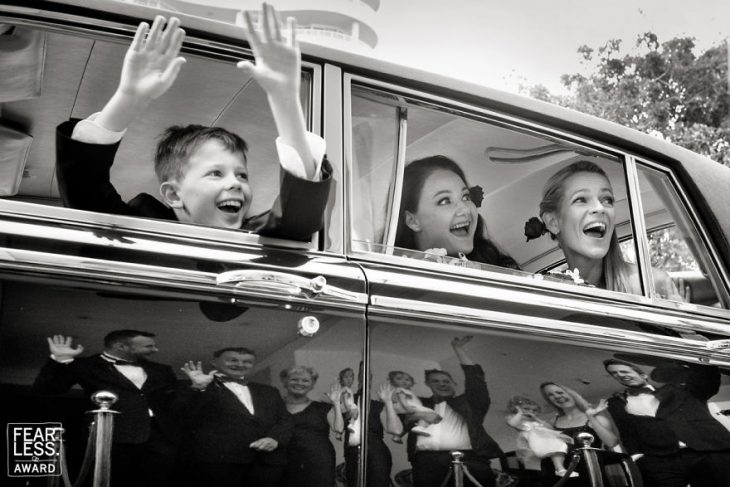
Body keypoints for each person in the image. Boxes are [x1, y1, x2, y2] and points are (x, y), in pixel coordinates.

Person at [55, 4, 331, 241]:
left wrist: (286, 103)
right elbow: (84, 189)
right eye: (216, 173)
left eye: (242, 174)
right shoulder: (141, 232)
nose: (236, 183)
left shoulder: (258, 239)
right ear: (174, 195)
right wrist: (127, 97)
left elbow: (300, 215)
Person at [33, 331, 179, 487]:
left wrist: (197, 387)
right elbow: (46, 389)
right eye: (149, 346)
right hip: (110, 437)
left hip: (158, 439)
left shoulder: (162, 370)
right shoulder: (85, 365)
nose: (155, 350)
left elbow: (175, 403)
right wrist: (59, 359)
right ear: (121, 346)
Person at [526, 160, 682, 298]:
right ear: (553, 222)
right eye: (581, 199)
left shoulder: (650, 284)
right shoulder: (550, 290)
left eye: (607, 200)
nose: (600, 208)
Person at [603, 358, 730, 487]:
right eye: (614, 374)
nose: (619, 375)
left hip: (708, 450)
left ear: (643, 374)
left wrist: (691, 356)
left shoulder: (682, 389)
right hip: (659, 460)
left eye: (624, 371)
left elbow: (708, 378)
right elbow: (626, 431)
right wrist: (637, 457)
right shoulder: (617, 403)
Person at [178, 347, 293, 487]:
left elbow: (285, 420)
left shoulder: (269, 391)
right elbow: (184, 416)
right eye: (232, 360)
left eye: (247, 362)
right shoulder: (198, 387)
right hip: (220, 464)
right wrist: (200, 388)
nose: (240, 365)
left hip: (266, 463)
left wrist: (275, 439)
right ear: (214, 362)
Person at [406, 336, 502, 487]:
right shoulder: (418, 404)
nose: (442, 384)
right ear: (427, 384)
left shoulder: (469, 403)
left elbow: (476, 382)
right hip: (427, 464)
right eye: (435, 381)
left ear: (455, 384)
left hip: (471, 461)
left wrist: (458, 349)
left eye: (446, 381)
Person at [395, 155, 519, 269]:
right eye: (444, 201)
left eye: (465, 197)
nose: (465, 208)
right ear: (412, 221)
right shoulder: (393, 282)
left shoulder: (502, 268)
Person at [538, 382, 618, 486]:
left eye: (559, 392)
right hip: (563, 477)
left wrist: (590, 417)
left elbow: (611, 442)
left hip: (592, 474)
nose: (556, 396)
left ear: (572, 394)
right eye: (550, 395)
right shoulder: (552, 422)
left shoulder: (596, 416)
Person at [279, 365, 341, 487]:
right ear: (285, 382)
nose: (299, 383)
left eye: (305, 380)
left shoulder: (322, 408)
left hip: (319, 462)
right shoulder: (275, 407)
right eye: (294, 379)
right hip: (285, 462)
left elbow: (338, 428)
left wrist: (337, 403)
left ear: (312, 385)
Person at [342, 365, 402, 487]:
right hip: (353, 453)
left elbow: (396, 430)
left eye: (368, 374)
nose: (365, 377)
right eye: (361, 374)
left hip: (377, 452)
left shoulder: (378, 406)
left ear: (371, 378)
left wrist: (389, 403)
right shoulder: (346, 401)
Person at [505, 395, 576, 478]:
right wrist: (519, 413)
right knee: (555, 450)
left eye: (534, 410)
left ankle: (560, 469)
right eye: (526, 409)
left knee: (560, 450)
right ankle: (560, 469)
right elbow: (513, 423)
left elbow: (550, 428)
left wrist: (536, 419)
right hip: (537, 441)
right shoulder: (518, 421)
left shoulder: (535, 421)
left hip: (548, 439)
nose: (531, 411)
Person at [387, 370, 441, 443]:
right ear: (393, 382)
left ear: (412, 383)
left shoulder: (407, 391)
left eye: (407, 379)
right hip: (409, 407)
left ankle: (397, 436)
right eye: (399, 379)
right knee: (432, 413)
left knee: (410, 422)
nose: (404, 381)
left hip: (409, 408)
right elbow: (402, 399)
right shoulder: (400, 390)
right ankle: (420, 427)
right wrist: (407, 407)